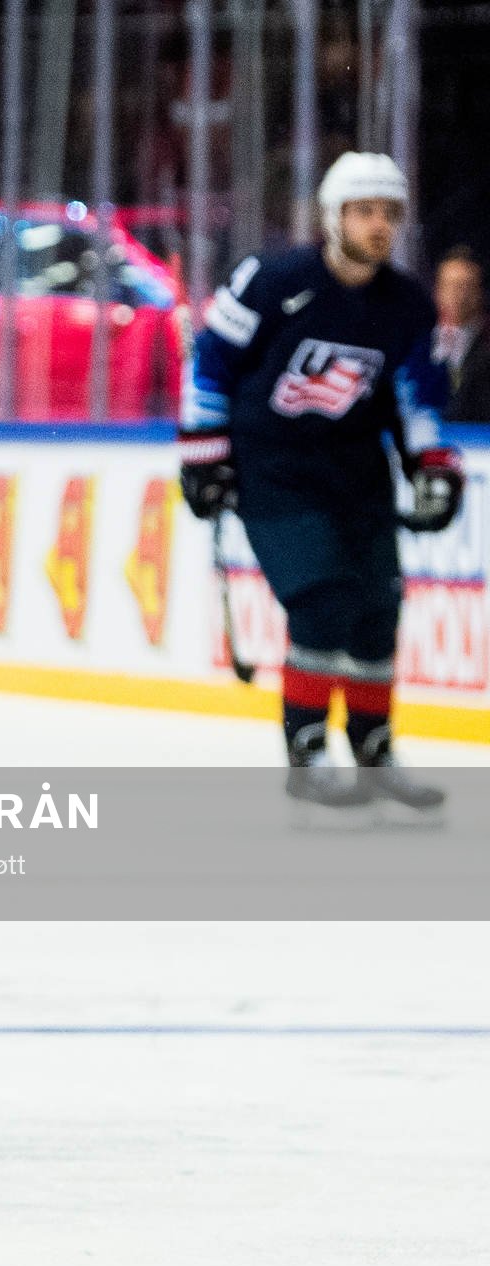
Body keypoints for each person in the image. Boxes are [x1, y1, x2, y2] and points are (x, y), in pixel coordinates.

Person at [180, 152, 465, 815]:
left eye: (389, 214)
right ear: (334, 216)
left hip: (357, 471)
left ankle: (374, 750)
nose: (378, 225)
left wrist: (433, 469)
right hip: (273, 469)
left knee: (375, 613)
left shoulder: (406, 306)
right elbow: (212, 364)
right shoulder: (271, 279)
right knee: (320, 604)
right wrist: (202, 458)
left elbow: (415, 398)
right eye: (364, 211)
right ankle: (306, 751)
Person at [433, 246, 490, 422]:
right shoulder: (417, 340)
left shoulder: (487, 343)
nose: (458, 295)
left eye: (466, 286)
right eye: (450, 285)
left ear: (480, 292)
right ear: (437, 291)